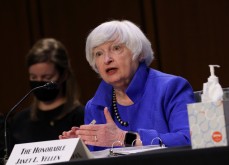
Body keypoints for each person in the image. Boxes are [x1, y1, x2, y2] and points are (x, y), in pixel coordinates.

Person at [59, 20, 195, 151]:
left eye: (116, 48)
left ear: (139, 53)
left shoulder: (171, 88)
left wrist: (125, 138)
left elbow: (189, 140)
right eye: (99, 53)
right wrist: (79, 149)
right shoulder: (95, 106)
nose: (107, 59)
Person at [7, 38, 85, 155]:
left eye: (47, 77)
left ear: (64, 75)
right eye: (33, 77)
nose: (39, 82)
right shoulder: (19, 121)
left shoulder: (81, 117)